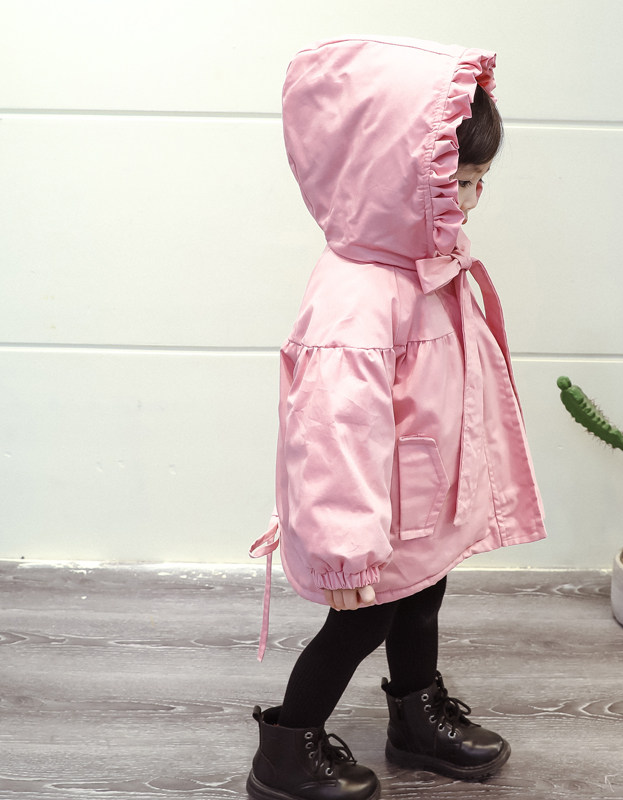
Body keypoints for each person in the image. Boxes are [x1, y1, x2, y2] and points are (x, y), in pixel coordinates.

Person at [247, 36, 547, 800]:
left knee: (425, 595)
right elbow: (334, 432)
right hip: (375, 517)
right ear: (397, 176)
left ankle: (416, 717)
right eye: (460, 181)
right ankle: (286, 750)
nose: (469, 201)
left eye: (478, 182)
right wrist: (344, 550)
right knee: (360, 623)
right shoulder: (358, 297)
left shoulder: (420, 265)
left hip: (415, 506)